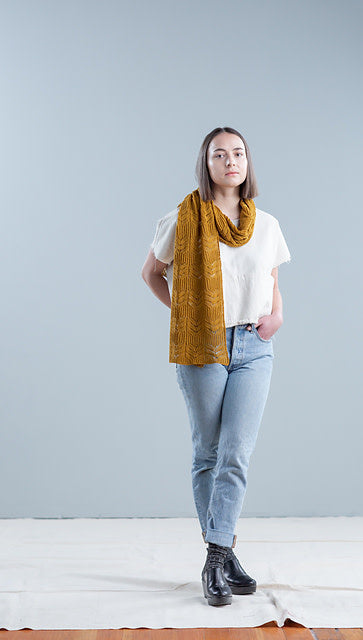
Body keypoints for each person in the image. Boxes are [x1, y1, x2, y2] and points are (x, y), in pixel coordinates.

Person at [141, 126, 291, 607]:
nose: (231, 161)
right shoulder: (181, 219)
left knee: (236, 454)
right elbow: (151, 274)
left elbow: (270, 280)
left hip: (253, 347)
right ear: (206, 164)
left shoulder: (266, 224)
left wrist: (277, 316)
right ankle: (223, 555)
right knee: (209, 452)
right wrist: (188, 316)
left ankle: (216, 556)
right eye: (219, 154)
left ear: (248, 163)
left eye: (238, 153)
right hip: (203, 347)